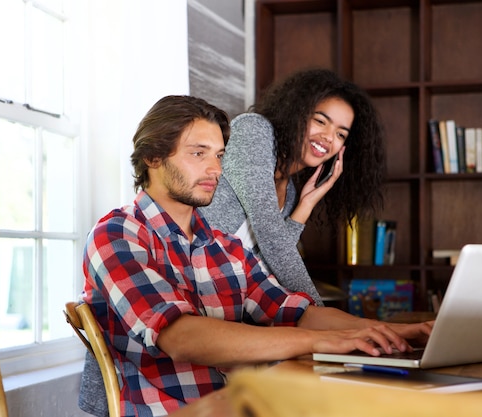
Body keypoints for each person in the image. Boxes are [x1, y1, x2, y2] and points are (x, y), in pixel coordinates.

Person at [79, 95, 431, 417]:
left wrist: (395, 332)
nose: (216, 170)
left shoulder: (227, 247)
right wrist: (320, 341)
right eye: (198, 153)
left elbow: (296, 312)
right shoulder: (117, 235)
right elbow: (181, 338)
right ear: (152, 157)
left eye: (219, 155)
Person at [200, 68, 386, 305]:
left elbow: (267, 263)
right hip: (186, 290)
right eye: (320, 121)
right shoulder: (254, 131)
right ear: (297, 113)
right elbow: (271, 238)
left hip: (224, 305)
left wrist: (304, 207)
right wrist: (318, 309)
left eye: (340, 134)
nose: (329, 137)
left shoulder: (290, 195)